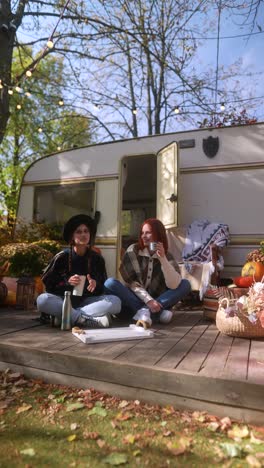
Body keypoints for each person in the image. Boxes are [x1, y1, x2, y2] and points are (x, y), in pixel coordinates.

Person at [37, 214, 121, 328]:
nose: (83, 234)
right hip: (64, 300)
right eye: (79, 231)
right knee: (42, 300)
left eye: (86, 231)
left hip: (87, 301)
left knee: (116, 301)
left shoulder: (97, 259)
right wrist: (67, 282)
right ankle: (81, 318)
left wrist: (95, 284)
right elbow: (49, 284)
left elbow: (102, 287)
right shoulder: (61, 257)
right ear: (72, 236)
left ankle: (67, 316)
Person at [104, 218, 191, 325]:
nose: (143, 236)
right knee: (110, 283)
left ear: (158, 234)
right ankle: (156, 314)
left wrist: (162, 258)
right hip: (134, 300)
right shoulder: (133, 251)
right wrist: (149, 301)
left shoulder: (167, 256)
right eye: (142, 233)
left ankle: (145, 312)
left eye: (148, 233)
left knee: (185, 284)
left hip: (158, 300)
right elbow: (132, 284)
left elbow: (173, 285)